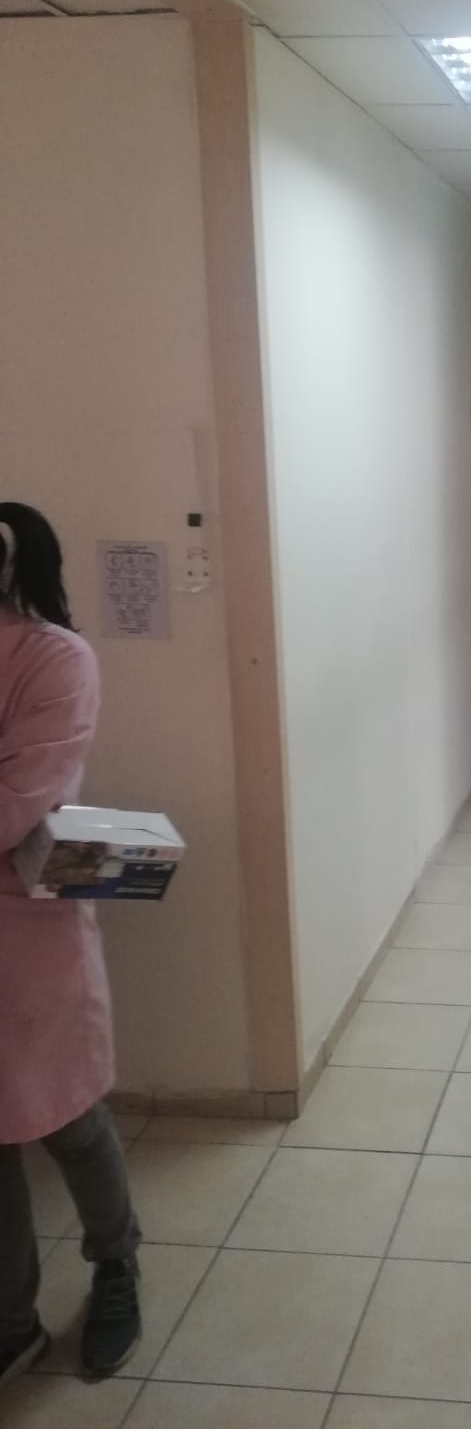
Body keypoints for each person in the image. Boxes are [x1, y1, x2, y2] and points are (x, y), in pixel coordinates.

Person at [0, 503, 142, 1388]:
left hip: (27, 927)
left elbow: (19, 798)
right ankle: (11, 1318)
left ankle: (116, 1262)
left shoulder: (55, 657)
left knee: (66, 1117)